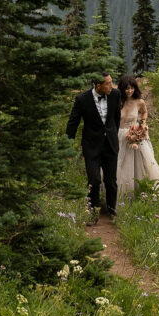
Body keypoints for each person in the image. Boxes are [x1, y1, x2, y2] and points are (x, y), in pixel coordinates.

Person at [66, 73, 121, 222]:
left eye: (111, 82)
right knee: (94, 180)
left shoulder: (115, 95)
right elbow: (73, 123)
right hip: (91, 146)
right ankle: (93, 212)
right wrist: (67, 146)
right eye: (108, 83)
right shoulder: (82, 99)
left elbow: (116, 119)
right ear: (98, 86)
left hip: (110, 145)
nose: (112, 85)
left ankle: (112, 211)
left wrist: (112, 136)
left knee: (111, 180)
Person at [117, 74, 159, 198]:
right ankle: (123, 193)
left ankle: (147, 191)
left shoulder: (139, 102)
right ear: (122, 89)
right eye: (126, 88)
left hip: (136, 135)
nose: (129, 91)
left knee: (143, 163)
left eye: (132, 88)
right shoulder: (118, 101)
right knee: (121, 164)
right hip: (120, 136)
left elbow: (145, 112)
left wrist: (142, 123)